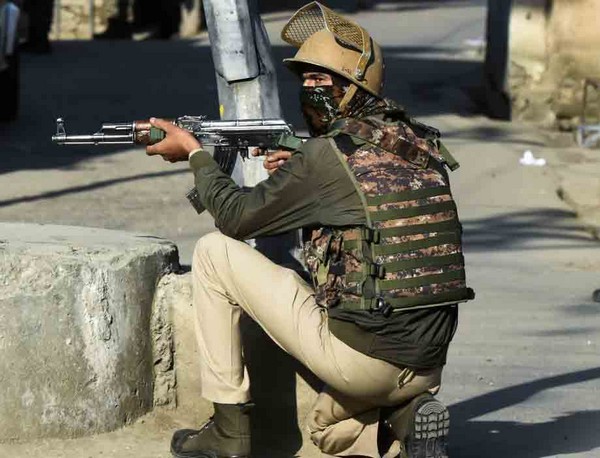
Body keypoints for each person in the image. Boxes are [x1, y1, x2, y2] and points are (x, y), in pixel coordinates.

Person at [145, 2, 474, 457]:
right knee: (327, 429)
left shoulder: (325, 158)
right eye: (305, 81)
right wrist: (304, 162)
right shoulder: (421, 143)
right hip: (428, 362)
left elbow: (236, 217)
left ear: (354, 88)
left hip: (362, 361)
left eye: (321, 81)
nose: (309, 91)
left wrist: (195, 155)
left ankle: (228, 430)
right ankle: (407, 416)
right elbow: (366, 201)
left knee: (212, 253)